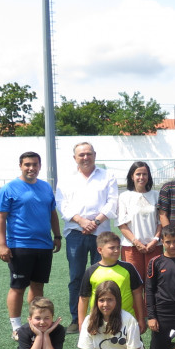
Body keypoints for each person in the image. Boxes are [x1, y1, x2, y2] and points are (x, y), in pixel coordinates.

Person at [0, 151, 62, 340]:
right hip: (20, 245)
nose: (31, 168)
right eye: (27, 165)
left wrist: (57, 236)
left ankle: (34, 323)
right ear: (21, 166)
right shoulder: (9, 188)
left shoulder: (46, 188)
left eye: (35, 164)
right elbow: (0, 217)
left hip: (44, 246)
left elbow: (52, 213)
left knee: (38, 286)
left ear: (40, 166)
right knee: (18, 287)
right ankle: (16, 327)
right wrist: (2, 244)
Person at [56, 141, 118, 332]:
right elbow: (62, 204)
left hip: (102, 234)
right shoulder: (66, 178)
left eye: (88, 154)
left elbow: (112, 202)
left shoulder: (108, 176)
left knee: (103, 277)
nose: (85, 157)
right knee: (76, 277)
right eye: (81, 154)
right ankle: (77, 319)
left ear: (94, 155)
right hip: (76, 233)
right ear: (75, 157)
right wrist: (82, 221)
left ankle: (102, 318)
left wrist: (95, 222)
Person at [77, 231, 146, 336]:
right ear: (100, 250)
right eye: (112, 248)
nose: (116, 250)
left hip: (126, 321)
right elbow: (83, 299)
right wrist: (81, 324)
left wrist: (140, 319)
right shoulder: (91, 271)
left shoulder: (128, 268)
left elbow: (137, 293)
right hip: (99, 322)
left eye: (118, 247)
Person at [117, 161, 161, 286]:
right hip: (131, 247)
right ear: (132, 176)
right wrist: (136, 242)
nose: (141, 177)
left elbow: (160, 221)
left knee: (153, 284)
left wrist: (155, 240)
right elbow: (121, 223)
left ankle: (151, 307)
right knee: (134, 285)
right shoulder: (124, 196)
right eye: (138, 174)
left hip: (154, 247)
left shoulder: (156, 195)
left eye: (145, 174)